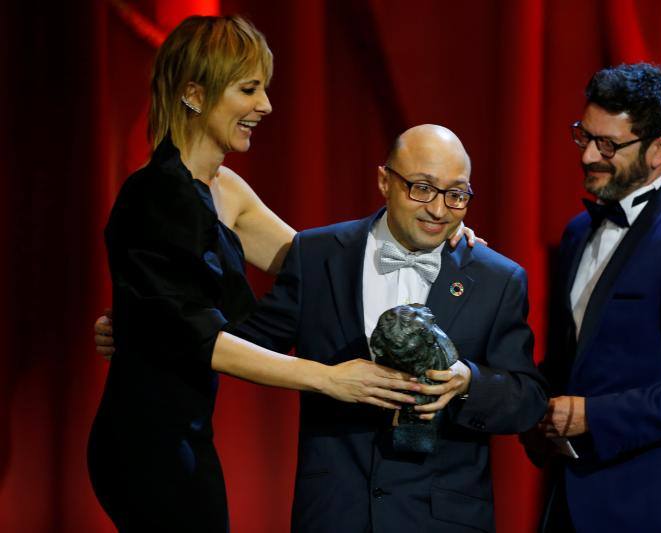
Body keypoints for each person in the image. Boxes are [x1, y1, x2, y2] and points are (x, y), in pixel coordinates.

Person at [87, 15, 452, 532]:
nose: (266, 106)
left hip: (185, 433)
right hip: (146, 441)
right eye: (249, 89)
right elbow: (199, 338)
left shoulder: (225, 189)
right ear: (194, 93)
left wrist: (434, 227)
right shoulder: (157, 195)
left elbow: (324, 265)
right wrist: (329, 380)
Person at [97, 123, 549, 532]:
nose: (439, 209)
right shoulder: (318, 255)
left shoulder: (497, 277)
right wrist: (151, 327)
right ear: (384, 182)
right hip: (335, 512)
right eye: (422, 188)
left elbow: (526, 399)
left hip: (444, 519)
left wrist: (469, 382)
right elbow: (244, 341)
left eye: (456, 194)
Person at [523, 63, 661, 533]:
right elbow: (566, 362)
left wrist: (593, 416)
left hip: (654, 509)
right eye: (584, 136)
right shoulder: (578, 232)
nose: (587, 157)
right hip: (571, 504)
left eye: (609, 145)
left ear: (660, 149)